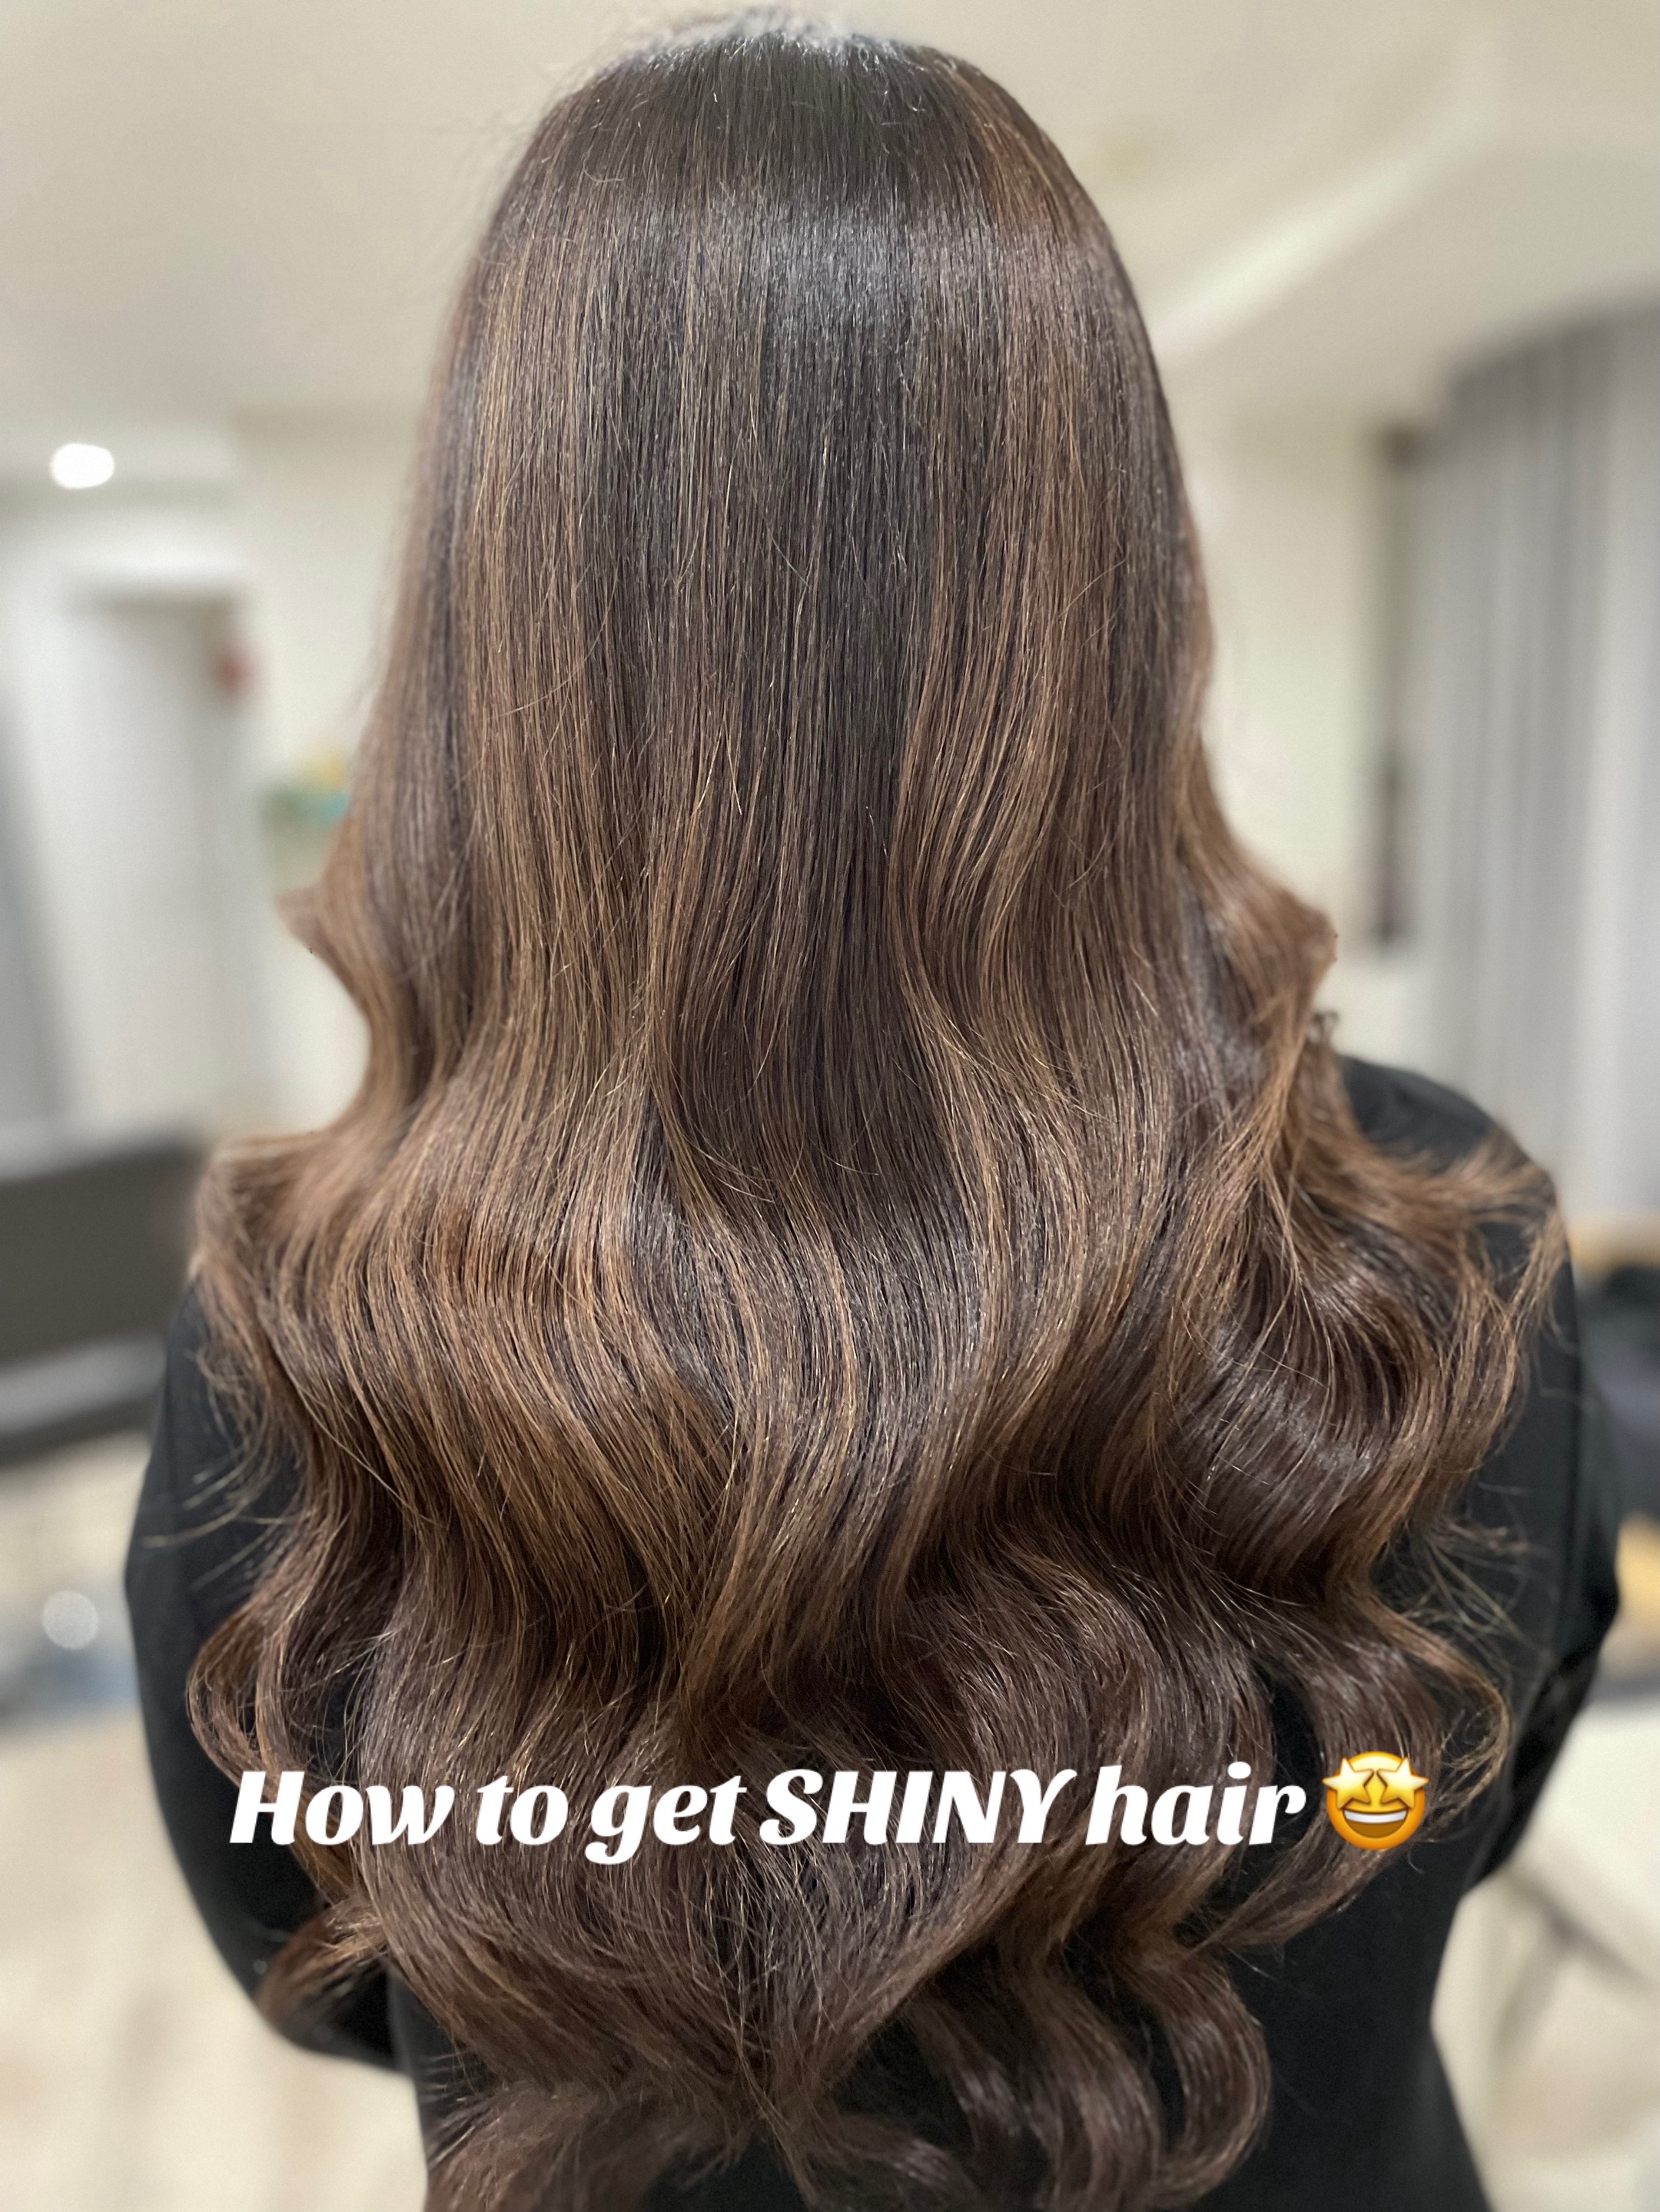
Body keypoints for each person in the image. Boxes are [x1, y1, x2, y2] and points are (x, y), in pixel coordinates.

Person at [125, 21, 1618, 2211]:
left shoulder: (295, 1339)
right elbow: (1439, 1824)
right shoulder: (1446, 1242)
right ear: (1126, 594)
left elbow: (325, 1966)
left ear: (491, 648)